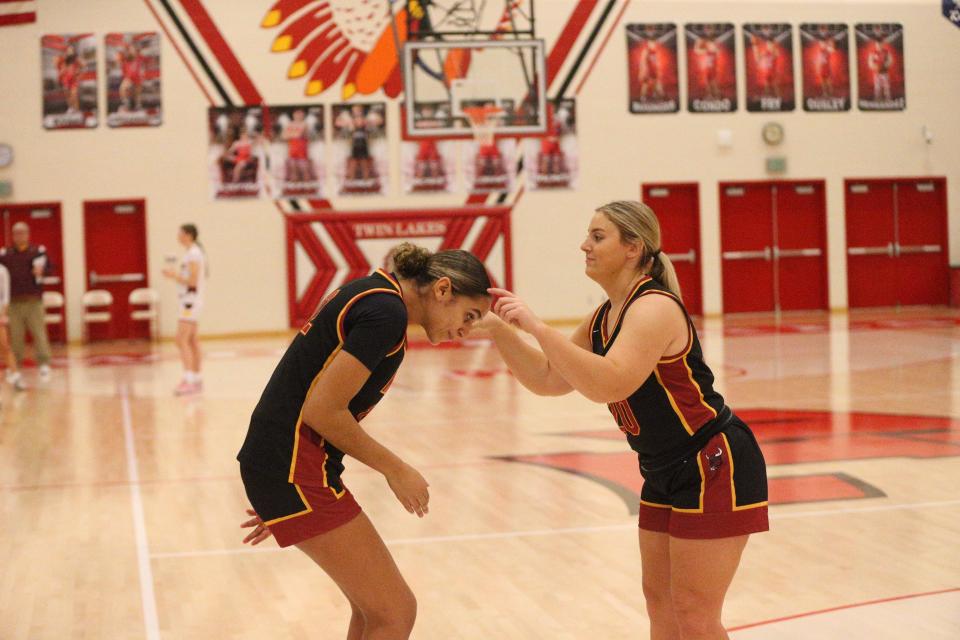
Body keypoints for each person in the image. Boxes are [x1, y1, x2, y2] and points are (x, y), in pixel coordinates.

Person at [483, 201, 768, 639]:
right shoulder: (602, 317)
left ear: (633, 247)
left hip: (711, 461)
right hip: (663, 468)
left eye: (598, 237)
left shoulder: (653, 307)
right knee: (662, 608)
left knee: (693, 615)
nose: (585, 245)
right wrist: (500, 330)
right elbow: (547, 379)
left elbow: (610, 384)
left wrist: (538, 327)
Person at [236, 244, 491, 639]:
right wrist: (397, 469)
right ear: (442, 290)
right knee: (395, 613)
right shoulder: (385, 314)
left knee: (374, 613)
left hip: (285, 466)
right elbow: (323, 412)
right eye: (469, 316)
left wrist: (275, 485)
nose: (467, 329)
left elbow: (301, 384)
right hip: (292, 468)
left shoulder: (371, 292)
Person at [0, 222, 53, 383]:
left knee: (39, 333)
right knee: (15, 337)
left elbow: (50, 268)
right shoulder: (5, 254)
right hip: (13, 303)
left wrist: (42, 271)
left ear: (28, 234)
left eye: (23, 233)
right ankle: (15, 367)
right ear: (13, 236)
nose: (20, 236)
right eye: (16, 233)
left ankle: (44, 363)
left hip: (33, 301)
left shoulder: (37, 252)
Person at [162, 224, 206, 396]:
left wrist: (174, 276)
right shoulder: (191, 253)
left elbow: (193, 281)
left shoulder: (194, 254)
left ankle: (189, 380)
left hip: (190, 302)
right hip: (190, 301)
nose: (177, 236)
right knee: (192, 340)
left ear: (188, 235)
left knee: (181, 339)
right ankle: (196, 378)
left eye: (180, 233)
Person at [0, 263, 26, 391]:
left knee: (4, 346)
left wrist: (3, 314)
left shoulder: (2, 270)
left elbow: (6, 296)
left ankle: (16, 377)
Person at [117, 41, 144, 112]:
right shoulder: (127, 58)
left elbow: (141, 69)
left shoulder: (139, 58)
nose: (132, 51)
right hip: (129, 78)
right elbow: (121, 60)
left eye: (133, 50)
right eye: (131, 50)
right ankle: (126, 103)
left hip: (137, 78)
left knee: (137, 90)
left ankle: (137, 104)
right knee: (123, 88)